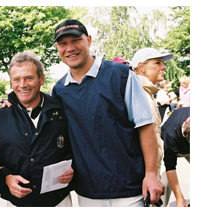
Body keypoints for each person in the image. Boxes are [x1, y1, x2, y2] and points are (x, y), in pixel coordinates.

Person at [52, 19, 164, 207]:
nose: (69, 48)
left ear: (88, 40)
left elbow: (145, 126)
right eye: (63, 43)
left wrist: (151, 174)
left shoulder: (121, 75)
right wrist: (11, 105)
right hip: (88, 193)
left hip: (130, 190)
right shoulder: (59, 90)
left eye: (75, 40)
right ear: (57, 48)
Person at [0, 51, 74, 207]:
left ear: (41, 79)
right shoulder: (0, 117)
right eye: (16, 79)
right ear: (11, 82)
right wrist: (6, 177)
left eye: (29, 78)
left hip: (59, 202)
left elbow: (77, 148)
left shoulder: (62, 112)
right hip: (17, 204)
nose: (22, 85)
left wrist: (72, 169)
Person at [132, 47, 173, 179]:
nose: (164, 67)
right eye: (157, 62)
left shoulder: (146, 92)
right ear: (141, 67)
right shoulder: (139, 93)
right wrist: (151, 176)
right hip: (143, 178)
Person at [161, 107, 190, 207]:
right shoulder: (171, 133)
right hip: (176, 144)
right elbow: (170, 167)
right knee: (165, 177)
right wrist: (179, 198)